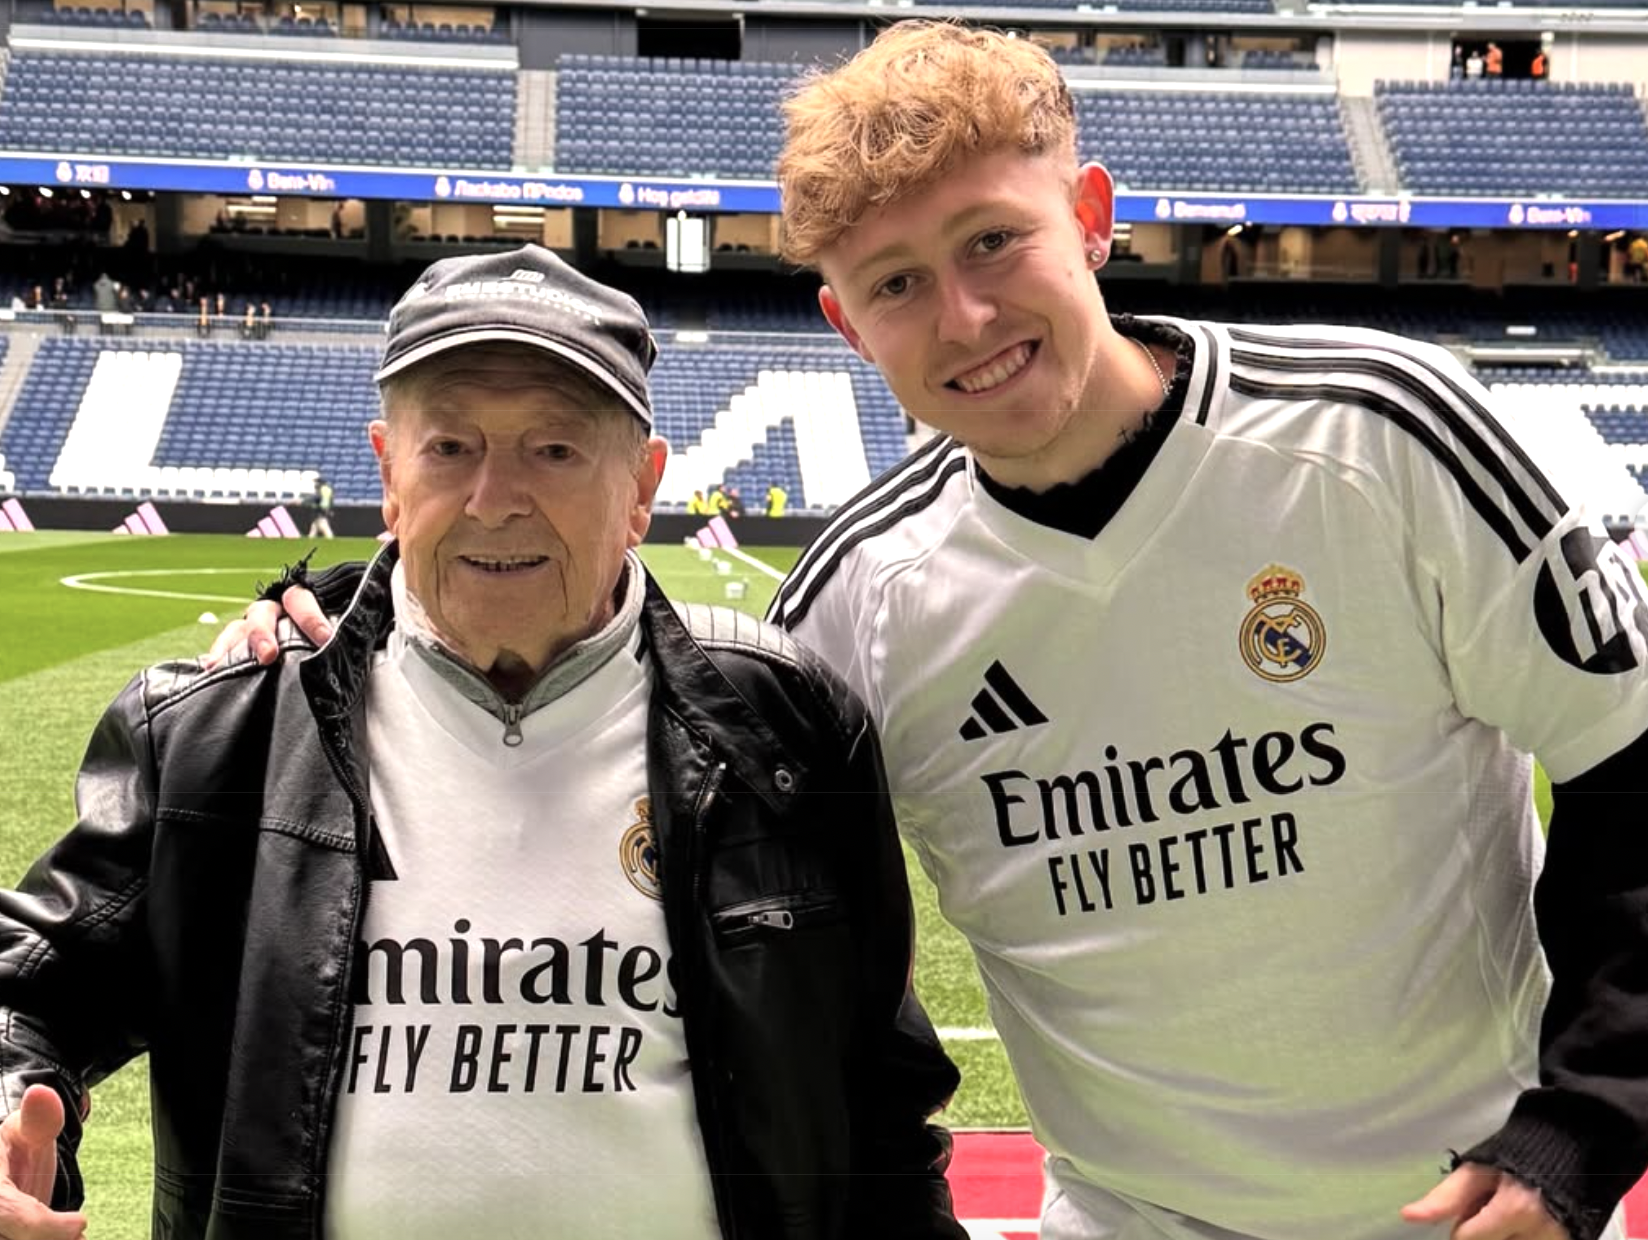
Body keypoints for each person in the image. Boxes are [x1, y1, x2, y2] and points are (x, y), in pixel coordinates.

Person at [214, 23, 1648, 1240]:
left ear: (1090, 216)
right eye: (898, 283)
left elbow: (1631, 768)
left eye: (994, 242)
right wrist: (365, 606)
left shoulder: (1385, 440)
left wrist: (1578, 1129)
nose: (963, 316)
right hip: (1126, 1215)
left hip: (1470, 1207)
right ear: (848, 325)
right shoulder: (854, 602)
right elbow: (630, 689)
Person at [4, 244, 964, 1240]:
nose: (493, 498)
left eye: (553, 449)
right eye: (450, 447)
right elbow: (28, 988)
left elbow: (880, 1114)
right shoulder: (219, 734)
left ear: (642, 485)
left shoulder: (785, 726)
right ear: (388, 470)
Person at [307, 471, 335, 539]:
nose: (315, 484)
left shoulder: (321, 489)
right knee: (314, 526)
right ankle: (310, 538)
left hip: (320, 510)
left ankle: (331, 539)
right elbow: (330, 500)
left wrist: (304, 501)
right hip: (323, 510)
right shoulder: (327, 489)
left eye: (316, 482)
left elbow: (317, 498)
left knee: (323, 525)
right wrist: (330, 510)